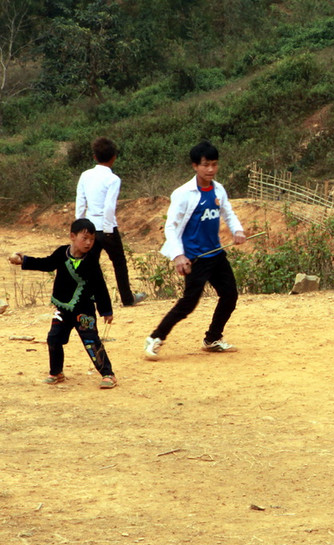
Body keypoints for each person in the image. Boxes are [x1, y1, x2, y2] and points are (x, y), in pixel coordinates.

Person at [144, 140, 246, 360]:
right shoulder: (183, 193)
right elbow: (171, 226)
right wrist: (179, 256)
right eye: (205, 165)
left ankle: (212, 339)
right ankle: (155, 337)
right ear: (195, 166)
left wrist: (237, 230)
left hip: (216, 254)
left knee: (230, 296)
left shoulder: (218, 190)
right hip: (196, 258)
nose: (210, 169)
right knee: (188, 303)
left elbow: (228, 213)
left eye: (214, 164)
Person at [8, 218, 117, 389]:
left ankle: (108, 374)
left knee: (91, 341)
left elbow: (100, 287)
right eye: (84, 238)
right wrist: (24, 260)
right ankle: (56, 372)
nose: (88, 243)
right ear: (72, 236)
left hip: (84, 310)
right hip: (62, 308)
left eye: (92, 239)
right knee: (53, 338)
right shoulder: (61, 253)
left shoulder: (91, 261)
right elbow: (46, 264)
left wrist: (106, 311)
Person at [75, 136, 146, 307]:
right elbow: (109, 206)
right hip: (107, 228)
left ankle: (87, 298)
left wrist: (79, 228)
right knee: (119, 263)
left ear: (94, 157)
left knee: (89, 264)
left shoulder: (85, 175)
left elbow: (80, 203)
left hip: (89, 228)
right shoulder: (113, 179)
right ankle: (127, 298)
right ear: (114, 157)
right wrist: (107, 230)